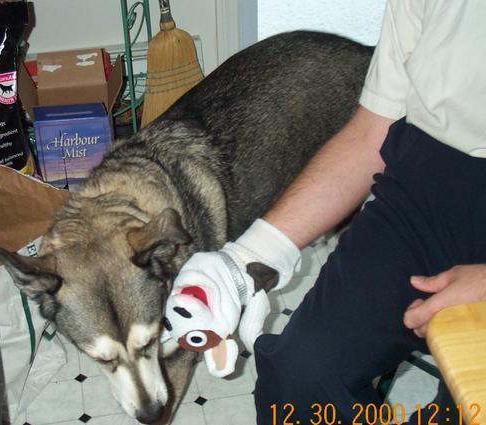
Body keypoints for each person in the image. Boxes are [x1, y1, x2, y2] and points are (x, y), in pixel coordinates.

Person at [170, 0, 486, 423]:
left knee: (466, 402)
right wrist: (243, 261)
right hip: (427, 190)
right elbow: (371, 131)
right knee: (300, 381)